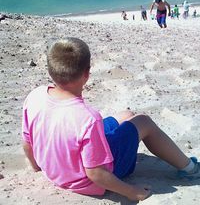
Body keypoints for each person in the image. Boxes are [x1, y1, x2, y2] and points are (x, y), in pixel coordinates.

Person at [22, 38, 200, 202]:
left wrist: (37, 166)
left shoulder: (35, 96)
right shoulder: (87, 117)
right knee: (144, 122)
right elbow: (96, 173)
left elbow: (27, 143)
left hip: (57, 169)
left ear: (50, 71)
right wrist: (132, 192)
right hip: (86, 180)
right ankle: (190, 168)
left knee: (126, 115)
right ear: (87, 74)